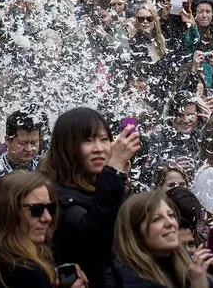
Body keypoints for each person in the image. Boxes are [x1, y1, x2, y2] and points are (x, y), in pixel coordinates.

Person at [41, 106, 141, 288]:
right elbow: (93, 239)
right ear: (67, 146)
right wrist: (113, 170)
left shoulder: (108, 184)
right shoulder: (53, 194)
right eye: (87, 140)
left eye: (104, 139)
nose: (99, 149)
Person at [0, 170, 84, 288]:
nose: (47, 218)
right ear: (8, 212)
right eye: (36, 209)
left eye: (50, 208)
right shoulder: (24, 271)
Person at [105, 190, 213, 288]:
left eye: (171, 215)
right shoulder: (118, 279)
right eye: (157, 219)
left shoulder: (188, 263)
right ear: (135, 233)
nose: (170, 223)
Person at [0, 108, 45, 178]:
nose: (29, 149)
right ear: (8, 140)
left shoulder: (45, 167)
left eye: (33, 143)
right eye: (22, 143)